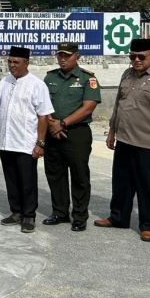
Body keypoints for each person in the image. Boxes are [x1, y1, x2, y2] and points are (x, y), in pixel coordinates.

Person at [95, 38, 150, 241]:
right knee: (121, 183)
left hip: (148, 143)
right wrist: (113, 131)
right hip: (125, 139)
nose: (137, 60)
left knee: (147, 186)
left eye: (142, 56)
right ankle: (118, 217)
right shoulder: (127, 74)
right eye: (133, 56)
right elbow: (119, 104)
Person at [42, 42, 102, 232]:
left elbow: (88, 107)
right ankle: (60, 212)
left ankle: (79, 215)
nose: (63, 59)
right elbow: (43, 103)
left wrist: (63, 123)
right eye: (60, 55)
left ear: (77, 56)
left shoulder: (88, 78)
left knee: (79, 174)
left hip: (77, 133)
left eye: (67, 55)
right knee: (55, 173)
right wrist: (52, 124)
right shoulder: (50, 77)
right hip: (52, 131)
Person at [0, 46, 54, 233]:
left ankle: (29, 215)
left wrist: (40, 143)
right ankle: (16, 212)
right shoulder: (5, 82)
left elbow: (44, 116)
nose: (12, 65)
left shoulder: (37, 85)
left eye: (16, 62)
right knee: (11, 179)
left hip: (26, 143)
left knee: (27, 181)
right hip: (7, 141)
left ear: (26, 63)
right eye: (10, 62)